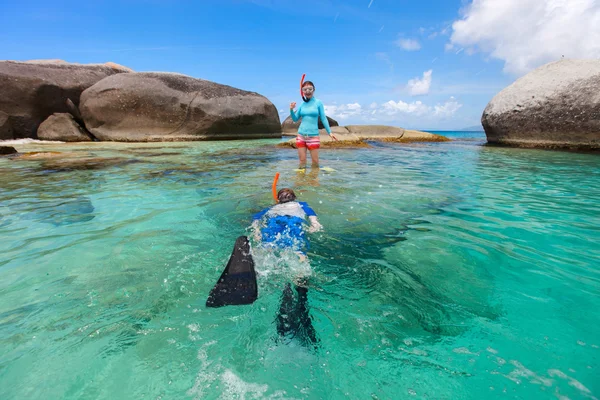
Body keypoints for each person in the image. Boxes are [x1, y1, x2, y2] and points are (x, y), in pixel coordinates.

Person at [250, 188, 322, 348]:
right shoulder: (302, 205)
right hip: (294, 232)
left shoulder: (270, 209)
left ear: (278, 200)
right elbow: (315, 222)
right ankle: (301, 298)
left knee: (268, 253)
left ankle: (280, 290)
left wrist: (256, 233)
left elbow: (255, 222)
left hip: (271, 236)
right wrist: (314, 227)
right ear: (294, 198)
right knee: (299, 259)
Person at [290, 81, 337, 167]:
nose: (307, 91)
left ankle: (314, 180)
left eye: (310, 89)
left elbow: (323, 118)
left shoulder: (318, 103)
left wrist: (329, 132)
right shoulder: (302, 104)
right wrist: (291, 110)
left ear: (313, 90)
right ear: (302, 91)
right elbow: (295, 119)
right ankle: (301, 180)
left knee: (315, 162)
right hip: (301, 135)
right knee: (302, 161)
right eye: (305, 89)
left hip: (313, 136)